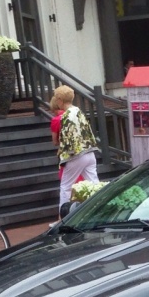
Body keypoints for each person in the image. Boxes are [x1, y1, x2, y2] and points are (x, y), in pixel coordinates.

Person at [54, 86, 100, 214]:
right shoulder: (78, 111)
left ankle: (62, 217)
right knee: (94, 184)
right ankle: (100, 210)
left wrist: (63, 154)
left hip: (76, 155)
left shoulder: (67, 116)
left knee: (65, 187)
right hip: (89, 152)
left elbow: (69, 138)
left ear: (60, 99)